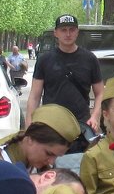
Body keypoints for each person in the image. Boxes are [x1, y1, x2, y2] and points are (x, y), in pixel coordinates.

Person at [27, 14, 104, 168]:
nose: (68, 34)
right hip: (50, 128)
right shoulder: (44, 60)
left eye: (72, 29)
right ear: (56, 33)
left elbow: (100, 93)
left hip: (81, 129)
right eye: (63, 30)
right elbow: (34, 96)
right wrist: (29, 127)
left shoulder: (90, 59)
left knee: (80, 173)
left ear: (77, 32)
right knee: (49, 175)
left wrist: (95, 116)